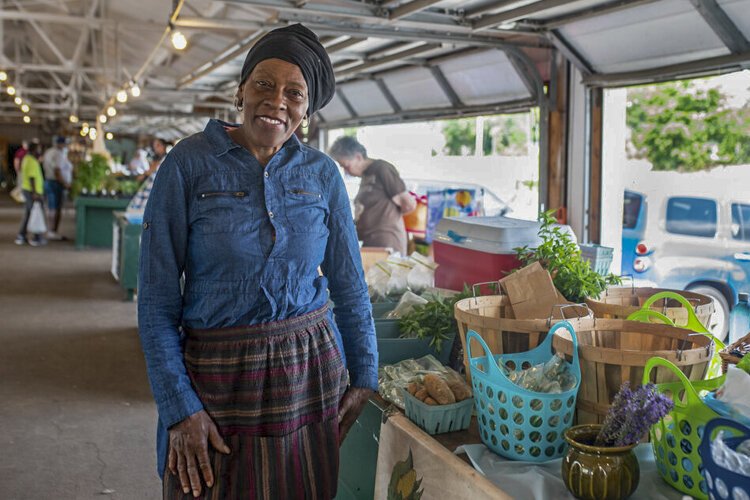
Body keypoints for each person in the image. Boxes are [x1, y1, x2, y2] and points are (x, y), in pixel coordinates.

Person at [138, 23, 377, 499]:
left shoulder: (323, 174)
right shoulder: (187, 164)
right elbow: (157, 302)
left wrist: (366, 372)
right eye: (264, 84)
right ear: (240, 90)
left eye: (295, 92)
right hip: (215, 380)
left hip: (307, 375)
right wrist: (179, 407)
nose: (277, 101)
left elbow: (349, 284)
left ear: (307, 110)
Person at [328, 136, 416, 255]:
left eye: (346, 166)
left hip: (387, 243)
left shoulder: (382, 169)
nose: (346, 172)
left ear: (358, 157)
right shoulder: (366, 175)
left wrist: (387, 218)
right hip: (370, 242)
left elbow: (409, 204)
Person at [15, 143, 46, 246]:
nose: (40, 151)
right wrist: (35, 193)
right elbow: (32, 178)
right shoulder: (31, 161)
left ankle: (22, 235)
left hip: (30, 190)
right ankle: (35, 236)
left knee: (30, 213)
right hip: (32, 191)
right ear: (34, 150)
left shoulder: (28, 159)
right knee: (35, 213)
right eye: (38, 149)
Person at [42, 136, 72, 240]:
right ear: (60, 144)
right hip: (55, 183)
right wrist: (65, 184)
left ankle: (51, 231)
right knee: (55, 208)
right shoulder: (58, 154)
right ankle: (52, 231)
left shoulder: (49, 152)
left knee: (52, 207)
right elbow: (57, 171)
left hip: (49, 181)